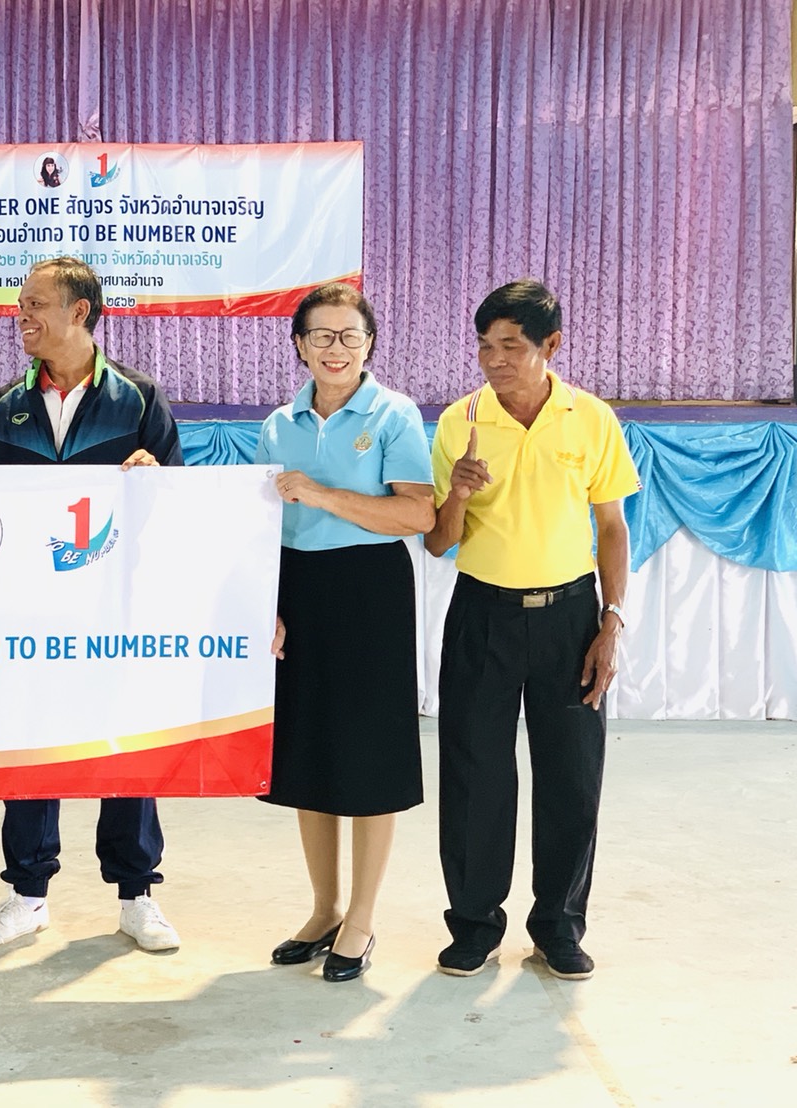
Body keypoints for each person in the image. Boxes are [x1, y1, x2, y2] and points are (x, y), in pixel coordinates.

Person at [0, 255, 184, 951]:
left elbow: (179, 502)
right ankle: (27, 894)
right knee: (29, 745)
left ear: (80, 312)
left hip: (114, 610)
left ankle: (137, 896)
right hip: (25, 612)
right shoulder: (4, 406)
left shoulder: (139, 400)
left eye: (35, 304)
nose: (21, 315)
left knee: (125, 746)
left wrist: (154, 476)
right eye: (20, 304)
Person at [425, 279, 638, 981]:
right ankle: (474, 925)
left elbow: (612, 527)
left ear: (552, 345)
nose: (495, 360)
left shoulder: (591, 418)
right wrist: (458, 493)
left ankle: (559, 926)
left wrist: (611, 620)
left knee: (572, 778)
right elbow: (438, 542)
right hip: (481, 615)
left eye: (511, 346)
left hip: (571, 618)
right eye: (485, 346)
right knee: (474, 774)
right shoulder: (459, 421)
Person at [255, 283, 434, 982]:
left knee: (369, 756)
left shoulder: (394, 414)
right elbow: (266, 525)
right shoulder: (280, 424)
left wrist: (323, 494)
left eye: (349, 336)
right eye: (321, 336)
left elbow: (416, 516)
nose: (336, 349)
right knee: (310, 754)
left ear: (369, 344)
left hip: (369, 590)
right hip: (299, 591)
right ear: (299, 346)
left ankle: (361, 918)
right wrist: (267, 604)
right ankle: (324, 908)